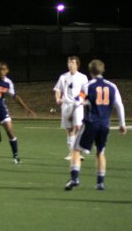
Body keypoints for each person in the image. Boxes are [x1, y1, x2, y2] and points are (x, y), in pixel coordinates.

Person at [65, 59, 126, 191]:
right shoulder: (112, 86)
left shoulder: (88, 85)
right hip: (105, 125)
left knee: (76, 150)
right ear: (102, 70)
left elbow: (78, 100)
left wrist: (71, 113)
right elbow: (119, 105)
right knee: (100, 152)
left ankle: (74, 178)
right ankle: (100, 183)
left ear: (90, 71)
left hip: (91, 123)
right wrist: (122, 124)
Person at [0, 61, 36, 164]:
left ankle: (16, 156)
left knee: (10, 131)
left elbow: (14, 96)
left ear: (7, 71)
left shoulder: (8, 83)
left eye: (3, 69)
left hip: (2, 109)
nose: (0, 71)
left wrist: (26, 108)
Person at [53, 56, 88, 160]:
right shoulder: (63, 77)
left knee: (78, 127)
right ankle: (71, 153)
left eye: (72, 62)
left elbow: (85, 91)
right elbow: (58, 89)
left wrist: (79, 99)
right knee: (70, 129)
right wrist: (58, 98)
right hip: (66, 105)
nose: (70, 64)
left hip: (77, 106)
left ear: (77, 64)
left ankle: (79, 152)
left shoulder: (82, 77)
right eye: (69, 62)